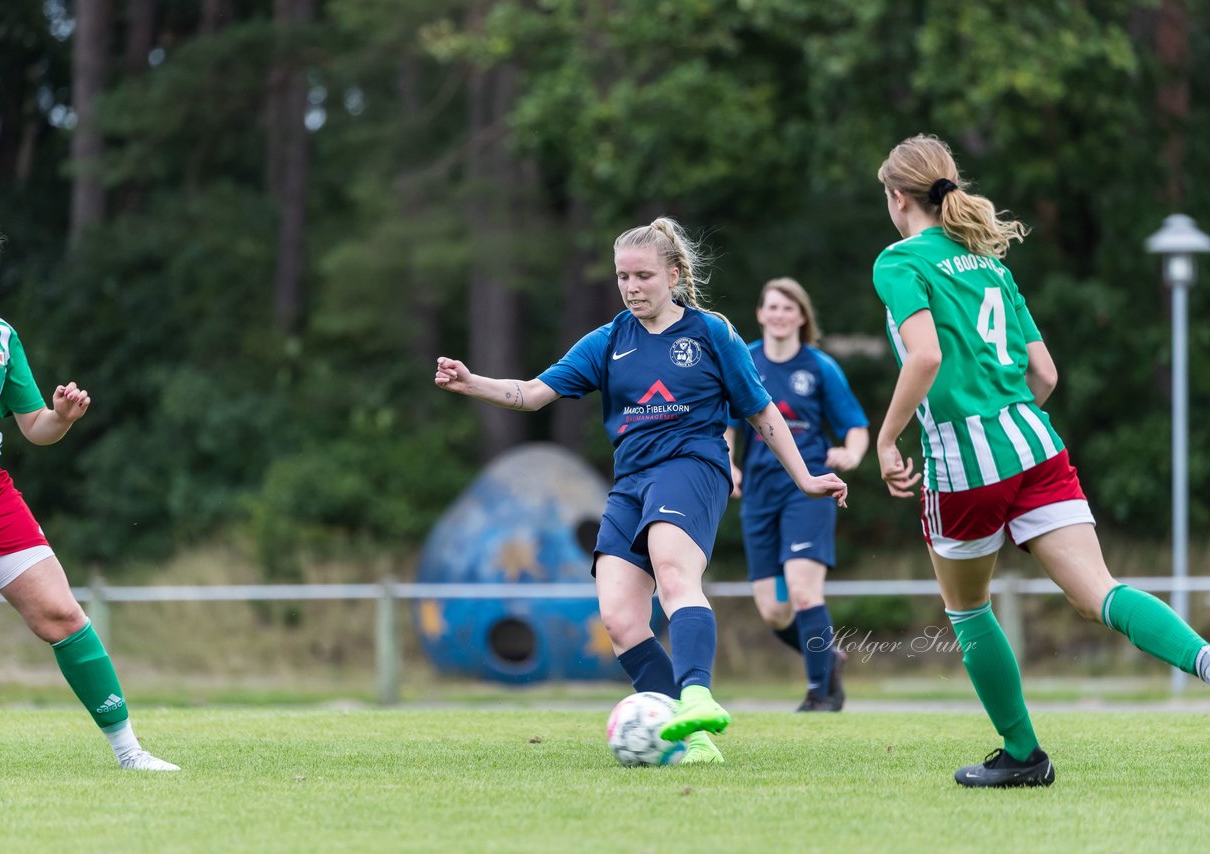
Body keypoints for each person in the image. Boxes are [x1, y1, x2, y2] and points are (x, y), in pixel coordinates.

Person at [436, 217, 848, 764]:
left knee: (674, 573)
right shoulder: (608, 341)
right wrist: (473, 382)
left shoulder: (711, 333)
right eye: (623, 277)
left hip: (693, 466)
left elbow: (760, 411)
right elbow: (532, 394)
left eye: (644, 276)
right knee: (620, 618)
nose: (631, 287)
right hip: (631, 482)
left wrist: (804, 476)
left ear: (674, 275)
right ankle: (694, 734)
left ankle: (698, 696)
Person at [872, 135, 1210, 788]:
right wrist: (1006, 413)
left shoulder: (899, 261)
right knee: (1100, 592)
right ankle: (1204, 661)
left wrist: (888, 440)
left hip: (967, 467)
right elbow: (1045, 374)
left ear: (896, 197)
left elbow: (925, 358)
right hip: (1037, 445)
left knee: (969, 611)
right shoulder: (989, 261)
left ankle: (1024, 754)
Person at [0, 201, 178, 771]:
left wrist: (62, 417)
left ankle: (130, 752)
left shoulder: (1, 337)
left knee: (62, 615)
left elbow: (35, 428)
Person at [724, 278, 868, 712]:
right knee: (773, 611)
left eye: (789, 308)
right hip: (760, 492)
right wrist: (728, 463)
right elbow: (729, 423)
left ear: (802, 317)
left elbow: (854, 425)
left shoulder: (820, 367)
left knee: (805, 592)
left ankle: (818, 694)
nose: (780, 315)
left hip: (809, 490)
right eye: (772, 307)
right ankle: (829, 659)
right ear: (760, 314)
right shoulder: (743, 361)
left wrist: (852, 453)